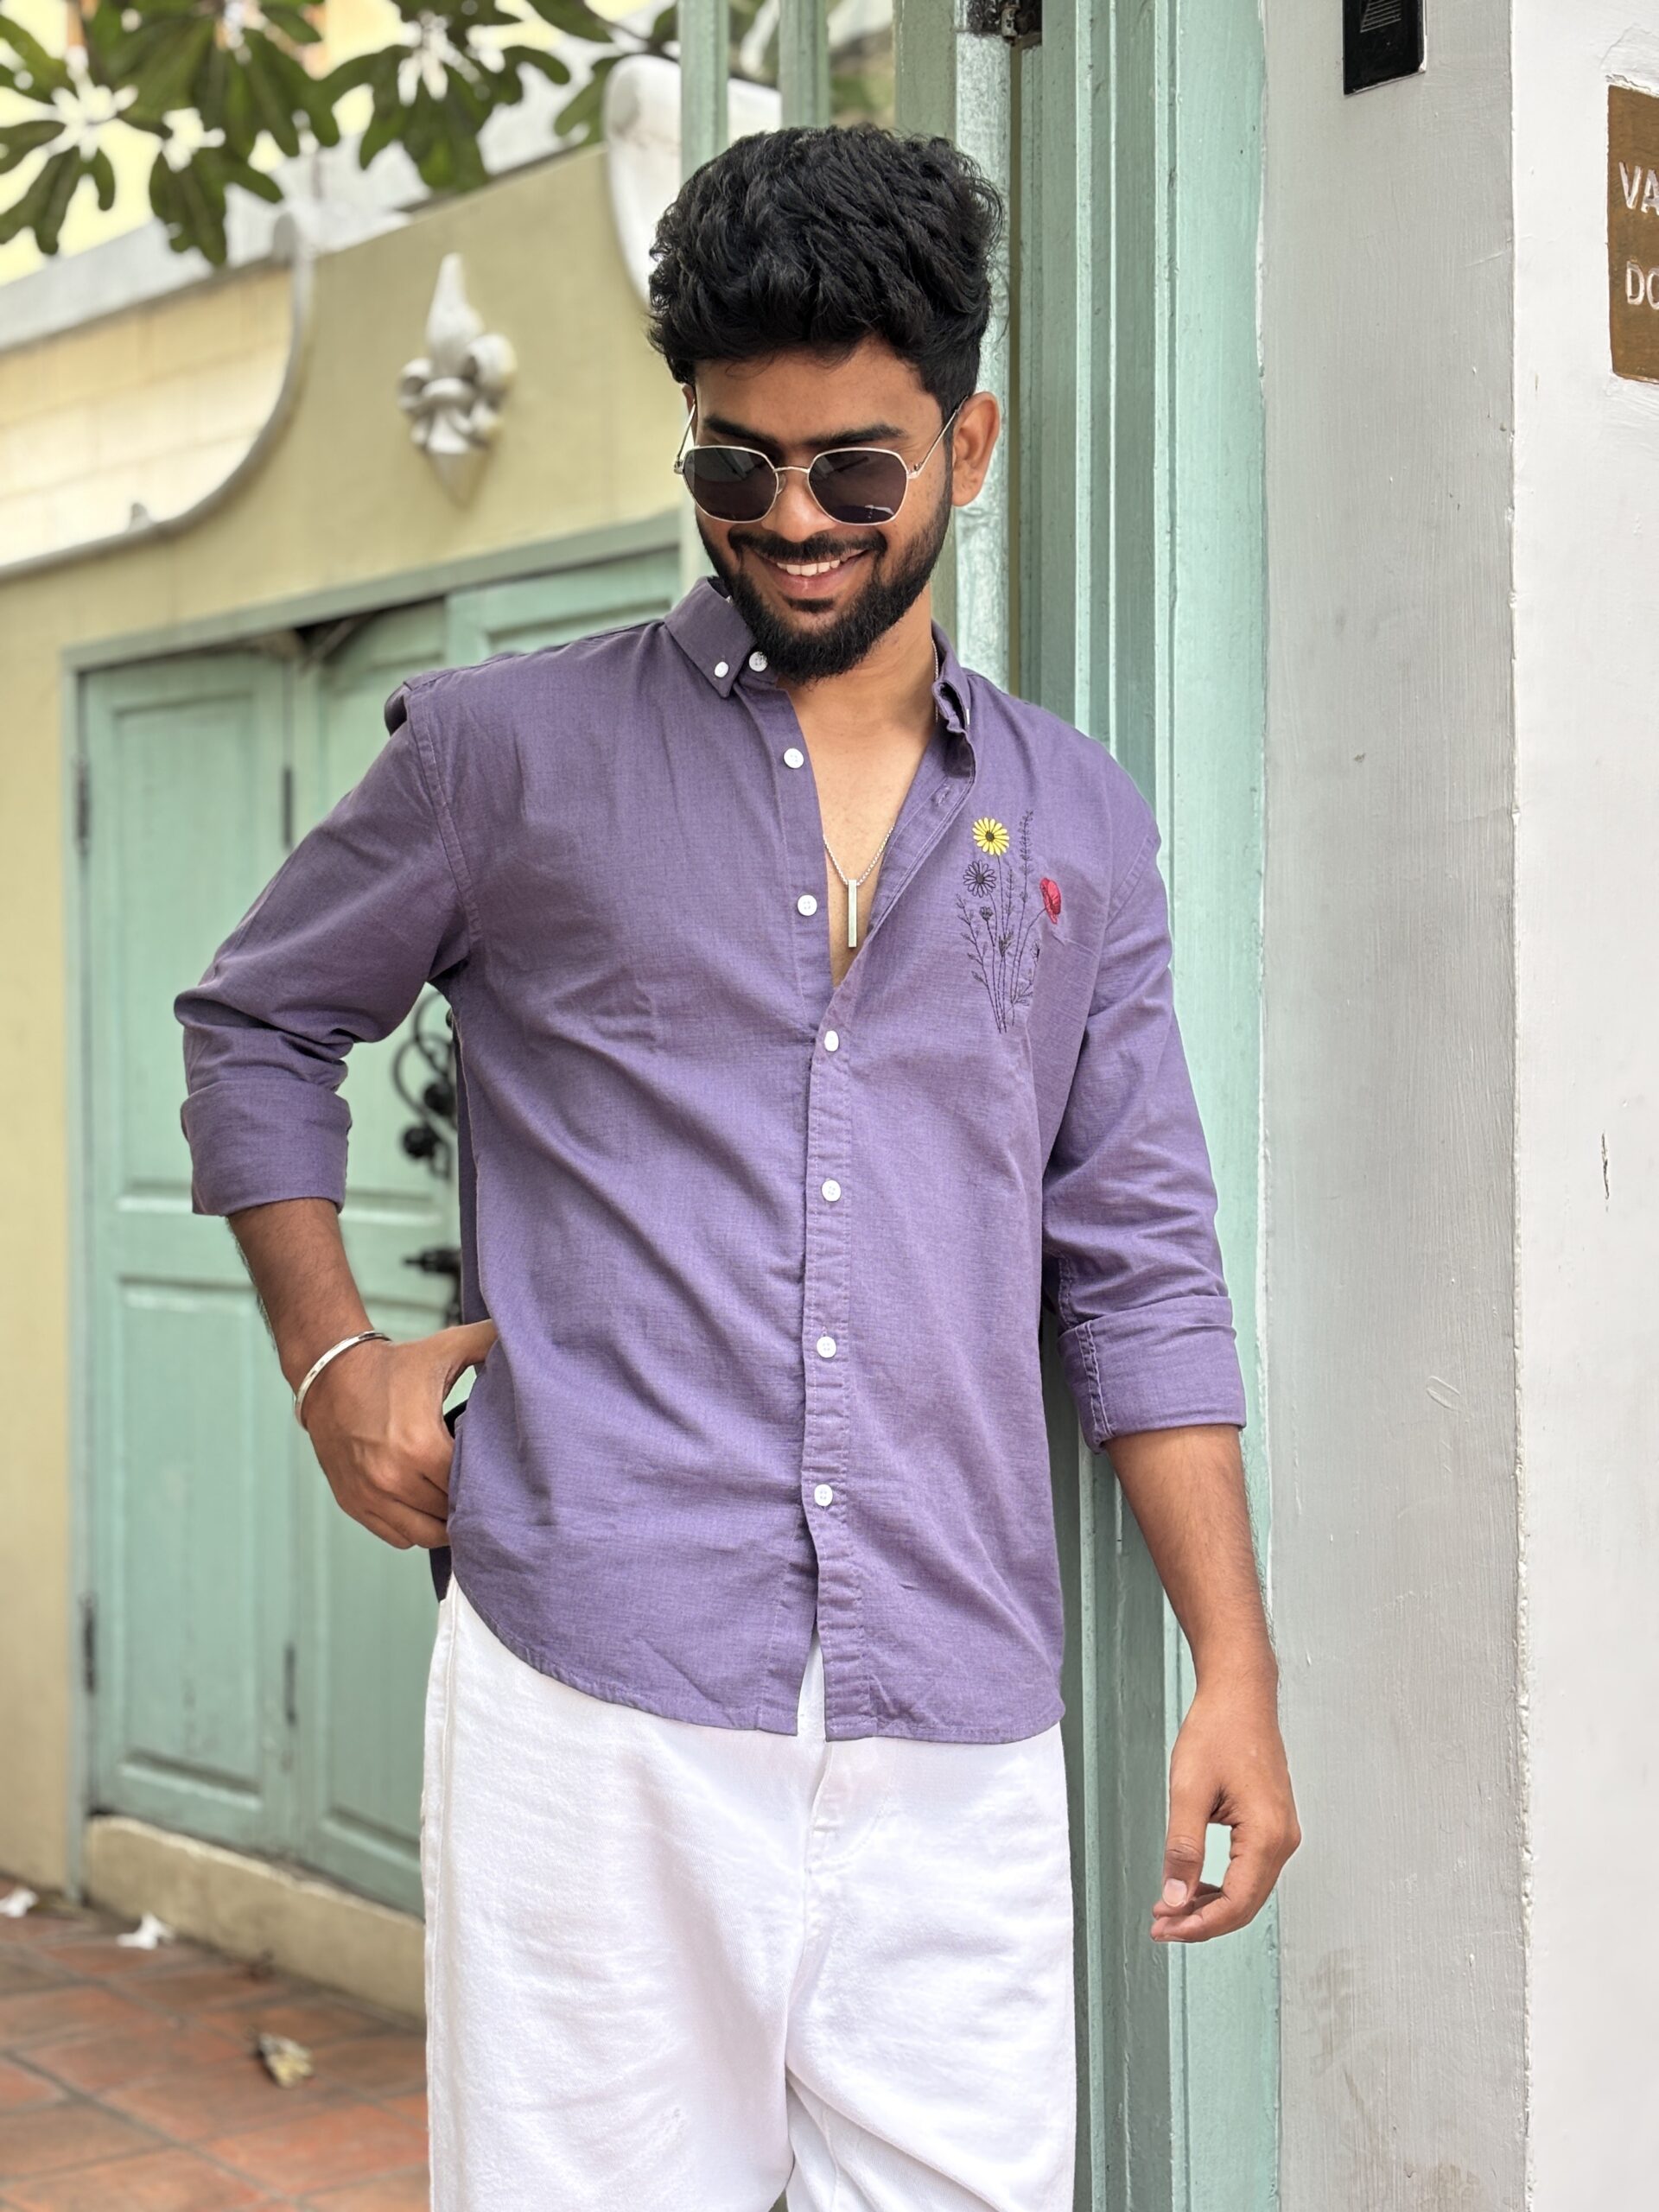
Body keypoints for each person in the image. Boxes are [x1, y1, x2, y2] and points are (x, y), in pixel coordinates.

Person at [175, 122, 1299, 2212]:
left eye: (856, 473)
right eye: (735, 465)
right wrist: (333, 1360)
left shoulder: (1081, 816)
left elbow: (1138, 1250)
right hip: (591, 1690)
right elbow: (257, 1021)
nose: (791, 522)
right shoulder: (505, 755)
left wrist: (1233, 1660)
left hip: (954, 1702)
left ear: (968, 444)